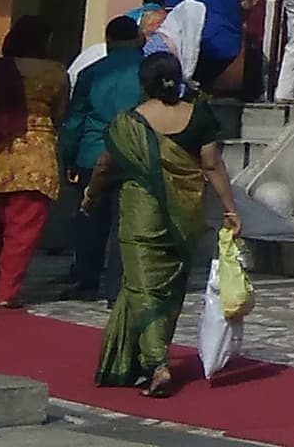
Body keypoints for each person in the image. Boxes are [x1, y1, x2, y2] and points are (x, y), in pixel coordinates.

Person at [87, 50, 237, 398]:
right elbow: (212, 166)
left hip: (141, 214)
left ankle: (157, 364)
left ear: (144, 83)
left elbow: (104, 167)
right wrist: (230, 209)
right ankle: (130, 361)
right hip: (185, 216)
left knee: (142, 286)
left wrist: (90, 197)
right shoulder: (198, 115)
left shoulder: (129, 123)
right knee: (168, 289)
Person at [0, 18, 68, 308]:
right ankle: (7, 291)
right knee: (23, 229)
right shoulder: (56, 72)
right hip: (37, 154)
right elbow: (61, 113)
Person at [59, 16, 144, 300]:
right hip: (136, 154)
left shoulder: (91, 73)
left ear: (108, 41)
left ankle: (86, 279)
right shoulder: (148, 70)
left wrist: (67, 155)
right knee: (126, 224)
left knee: (89, 219)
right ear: (137, 39)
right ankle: (118, 288)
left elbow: (75, 120)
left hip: (93, 152)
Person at [162, 0, 246, 98]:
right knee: (204, 87)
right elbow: (244, 4)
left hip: (202, 42)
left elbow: (170, 11)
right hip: (231, 44)